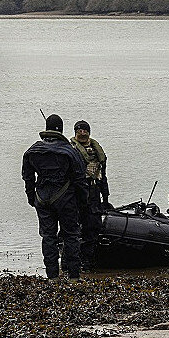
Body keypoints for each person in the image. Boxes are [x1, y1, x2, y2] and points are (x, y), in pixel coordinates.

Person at [22, 114, 88, 279]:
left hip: (42, 200)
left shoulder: (32, 151)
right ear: (61, 129)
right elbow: (80, 180)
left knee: (48, 237)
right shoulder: (69, 152)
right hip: (66, 200)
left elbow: (28, 178)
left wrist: (32, 198)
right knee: (71, 235)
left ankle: (52, 277)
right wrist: (83, 202)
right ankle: (73, 276)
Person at [70, 120, 110, 271]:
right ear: (75, 133)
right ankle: (70, 263)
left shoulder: (97, 151)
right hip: (76, 195)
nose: (82, 133)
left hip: (94, 194)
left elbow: (103, 177)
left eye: (84, 130)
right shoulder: (71, 151)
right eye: (79, 131)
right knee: (74, 229)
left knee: (93, 228)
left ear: (89, 132)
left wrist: (105, 198)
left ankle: (87, 262)